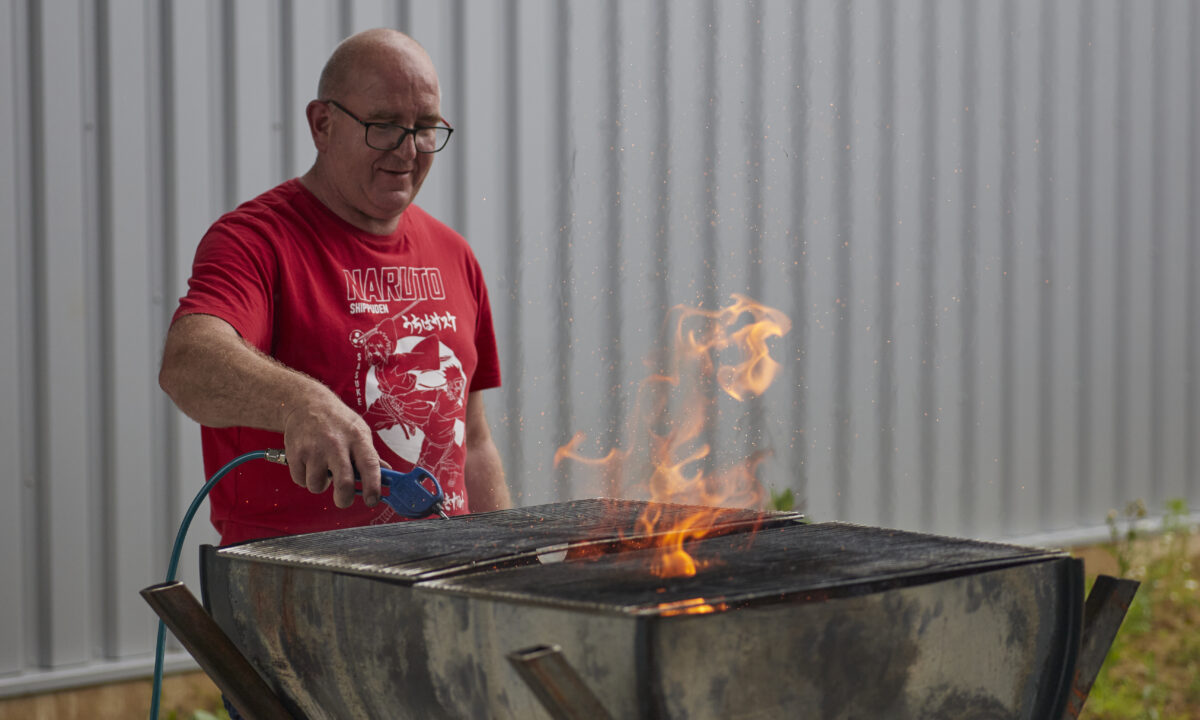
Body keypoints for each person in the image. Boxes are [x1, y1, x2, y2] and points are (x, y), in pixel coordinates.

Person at [159, 28, 511, 548]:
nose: (409, 150)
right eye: (385, 125)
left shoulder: (454, 255)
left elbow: (473, 443)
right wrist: (301, 401)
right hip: (297, 599)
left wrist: (506, 564)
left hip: (443, 585)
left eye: (425, 127)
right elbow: (188, 363)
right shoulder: (257, 240)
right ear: (322, 125)